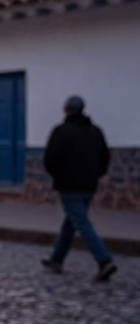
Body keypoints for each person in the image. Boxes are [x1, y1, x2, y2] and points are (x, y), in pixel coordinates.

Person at [42, 95, 116, 281]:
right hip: (89, 185)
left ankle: (104, 260)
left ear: (66, 110)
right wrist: (94, 175)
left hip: (68, 186)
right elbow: (104, 159)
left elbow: (49, 160)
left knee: (81, 223)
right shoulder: (96, 132)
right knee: (72, 221)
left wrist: (59, 176)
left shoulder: (61, 132)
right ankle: (56, 259)